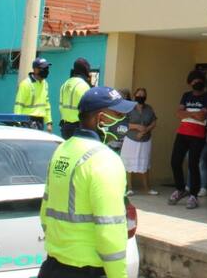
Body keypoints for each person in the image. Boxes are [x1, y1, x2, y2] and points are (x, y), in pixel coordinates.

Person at [39, 86, 135, 278]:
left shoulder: (61, 150)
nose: (124, 120)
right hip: (87, 270)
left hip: (53, 266)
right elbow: (110, 230)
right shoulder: (105, 160)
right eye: (118, 114)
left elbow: (45, 214)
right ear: (101, 119)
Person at [169, 70, 207, 209]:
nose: (196, 83)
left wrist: (187, 113)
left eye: (198, 80)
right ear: (190, 83)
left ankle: (193, 196)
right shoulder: (186, 95)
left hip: (198, 135)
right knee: (175, 161)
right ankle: (180, 189)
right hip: (182, 133)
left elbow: (202, 117)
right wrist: (195, 113)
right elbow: (178, 113)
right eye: (194, 81)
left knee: (193, 164)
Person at [121, 88, 158, 196]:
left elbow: (154, 121)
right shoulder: (128, 108)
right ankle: (129, 188)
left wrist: (146, 129)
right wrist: (136, 127)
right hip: (131, 139)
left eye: (143, 95)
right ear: (134, 95)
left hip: (145, 140)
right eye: (139, 94)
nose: (141, 96)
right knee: (128, 164)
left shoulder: (149, 108)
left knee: (144, 164)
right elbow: (123, 123)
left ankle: (147, 188)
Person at [15, 57, 53, 132]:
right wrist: (17, 123)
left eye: (47, 68)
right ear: (35, 70)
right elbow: (18, 105)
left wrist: (49, 122)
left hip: (40, 121)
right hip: (27, 121)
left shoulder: (45, 84)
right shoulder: (25, 84)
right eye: (43, 68)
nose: (46, 71)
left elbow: (46, 104)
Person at [58, 58, 92, 139]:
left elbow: (61, 106)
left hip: (65, 127)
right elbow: (88, 109)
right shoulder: (84, 85)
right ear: (85, 70)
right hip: (78, 127)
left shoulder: (65, 84)